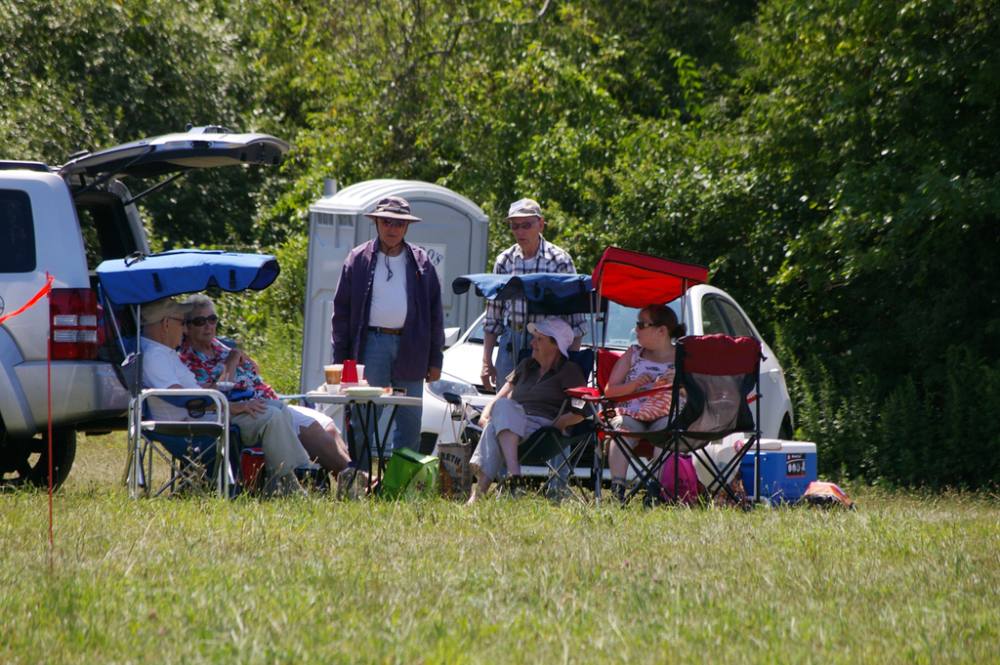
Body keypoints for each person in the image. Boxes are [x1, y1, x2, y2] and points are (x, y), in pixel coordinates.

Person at [139, 296, 311, 496]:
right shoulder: (155, 356)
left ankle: (277, 484)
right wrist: (230, 407)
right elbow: (185, 399)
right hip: (188, 426)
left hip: (201, 415)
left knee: (277, 407)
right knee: (270, 416)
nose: (185, 330)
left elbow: (191, 396)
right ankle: (290, 485)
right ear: (167, 324)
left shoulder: (162, 352)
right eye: (182, 323)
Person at [178, 294, 351, 475]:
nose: (208, 326)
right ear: (186, 327)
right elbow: (217, 394)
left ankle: (349, 479)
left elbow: (254, 369)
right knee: (313, 427)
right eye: (200, 321)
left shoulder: (218, 346)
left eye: (212, 319)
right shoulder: (188, 359)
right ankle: (352, 479)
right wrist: (231, 362)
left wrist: (241, 356)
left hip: (269, 401)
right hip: (249, 410)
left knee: (327, 425)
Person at [331, 195, 445, 453]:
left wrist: (435, 360)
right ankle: (358, 482)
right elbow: (341, 314)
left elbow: (435, 313)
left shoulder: (421, 261)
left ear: (407, 227)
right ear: (377, 223)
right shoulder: (357, 258)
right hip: (371, 346)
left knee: (410, 421)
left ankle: (400, 485)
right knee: (363, 418)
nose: (392, 228)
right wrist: (340, 360)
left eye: (398, 223)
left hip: (413, 348)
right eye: (387, 222)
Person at [467, 317, 586, 503]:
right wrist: (484, 415)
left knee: (499, 418)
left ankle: (483, 493)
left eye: (539, 339)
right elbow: (498, 399)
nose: (532, 342)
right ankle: (512, 477)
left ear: (556, 345)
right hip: (514, 424)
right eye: (534, 338)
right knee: (495, 420)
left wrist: (560, 423)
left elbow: (583, 410)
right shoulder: (526, 366)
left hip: (543, 429)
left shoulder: (570, 370)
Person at [480, 198, 588, 393]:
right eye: (514, 226)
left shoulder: (560, 261)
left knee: (541, 407)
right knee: (502, 406)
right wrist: (486, 360)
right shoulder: (504, 261)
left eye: (526, 225)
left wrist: (570, 362)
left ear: (541, 225)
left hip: (548, 345)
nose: (520, 232)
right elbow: (492, 316)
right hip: (511, 341)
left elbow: (576, 321)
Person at [604, 304, 688, 500]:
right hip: (633, 413)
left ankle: (654, 492)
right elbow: (610, 391)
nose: (636, 329)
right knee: (621, 429)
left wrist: (681, 386)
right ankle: (617, 491)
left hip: (666, 412)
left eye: (642, 324)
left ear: (662, 331)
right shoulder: (633, 353)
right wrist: (633, 385)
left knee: (668, 431)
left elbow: (699, 393)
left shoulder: (684, 357)